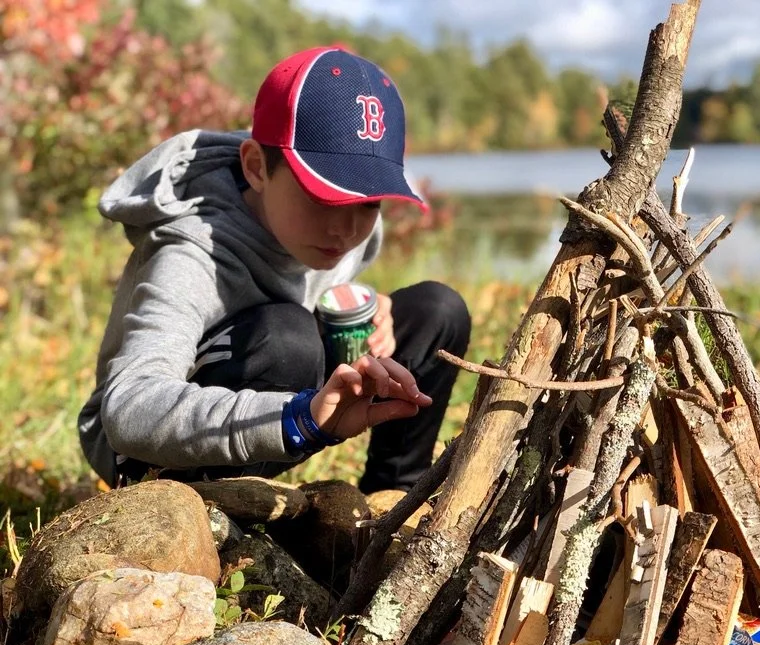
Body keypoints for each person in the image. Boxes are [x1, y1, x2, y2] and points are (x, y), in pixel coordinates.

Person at [78, 46, 471, 495]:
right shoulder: (192, 252)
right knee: (288, 338)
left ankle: (392, 497)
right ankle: (219, 513)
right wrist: (297, 417)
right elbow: (130, 409)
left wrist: (359, 308)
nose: (345, 229)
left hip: (290, 405)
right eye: (323, 196)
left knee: (436, 310)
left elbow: (300, 287)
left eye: (367, 202)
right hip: (144, 452)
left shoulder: (335, 233)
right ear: (256, 167)